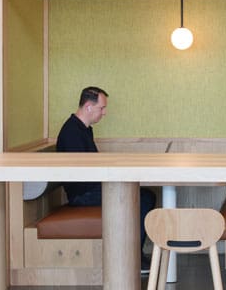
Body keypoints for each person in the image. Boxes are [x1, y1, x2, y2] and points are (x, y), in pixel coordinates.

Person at [56, 87, 156, 272]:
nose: (105, 112)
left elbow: (92, 164)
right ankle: (132, 258)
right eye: (101, 108)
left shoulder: (84, 130)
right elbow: (82, 172)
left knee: (146, 196)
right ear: (88, 106)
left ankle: (134, 254)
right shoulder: (71, 132)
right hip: (82, 195)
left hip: (91, 188)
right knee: (143, 198)